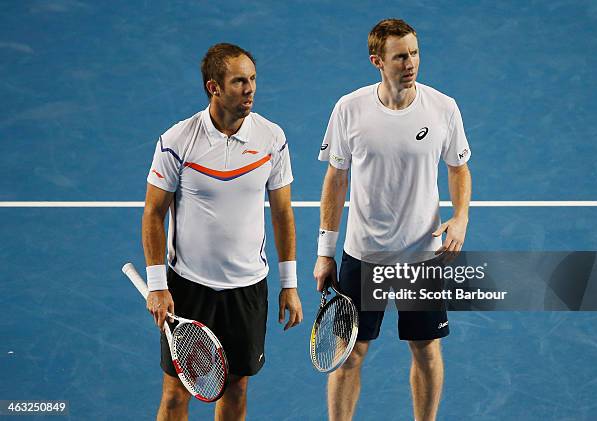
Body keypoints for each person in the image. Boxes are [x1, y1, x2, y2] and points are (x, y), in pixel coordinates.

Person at [313, 19, 472, 421]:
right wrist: (325, 252)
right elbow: (336, 179)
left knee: (425, 348)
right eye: (400, 56)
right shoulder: (349, 109)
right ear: (377, 61)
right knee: (351, 353)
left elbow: (458, 167)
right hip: (364, 254)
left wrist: (461, 217)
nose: (410, 62)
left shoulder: (443, 108)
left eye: (414, 52)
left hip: (421, 255)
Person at [142, 43, 303, 421]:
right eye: (239, 82)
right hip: (188, 287)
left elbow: (282, 213)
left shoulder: (271, 138)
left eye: (252, 80)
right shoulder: (178, 141)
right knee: (174, 394)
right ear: (214, 87)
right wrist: (156, 284)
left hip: (247, 288)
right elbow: (153, 213)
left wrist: (290, 284)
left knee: (236, 388)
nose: (250, 89)